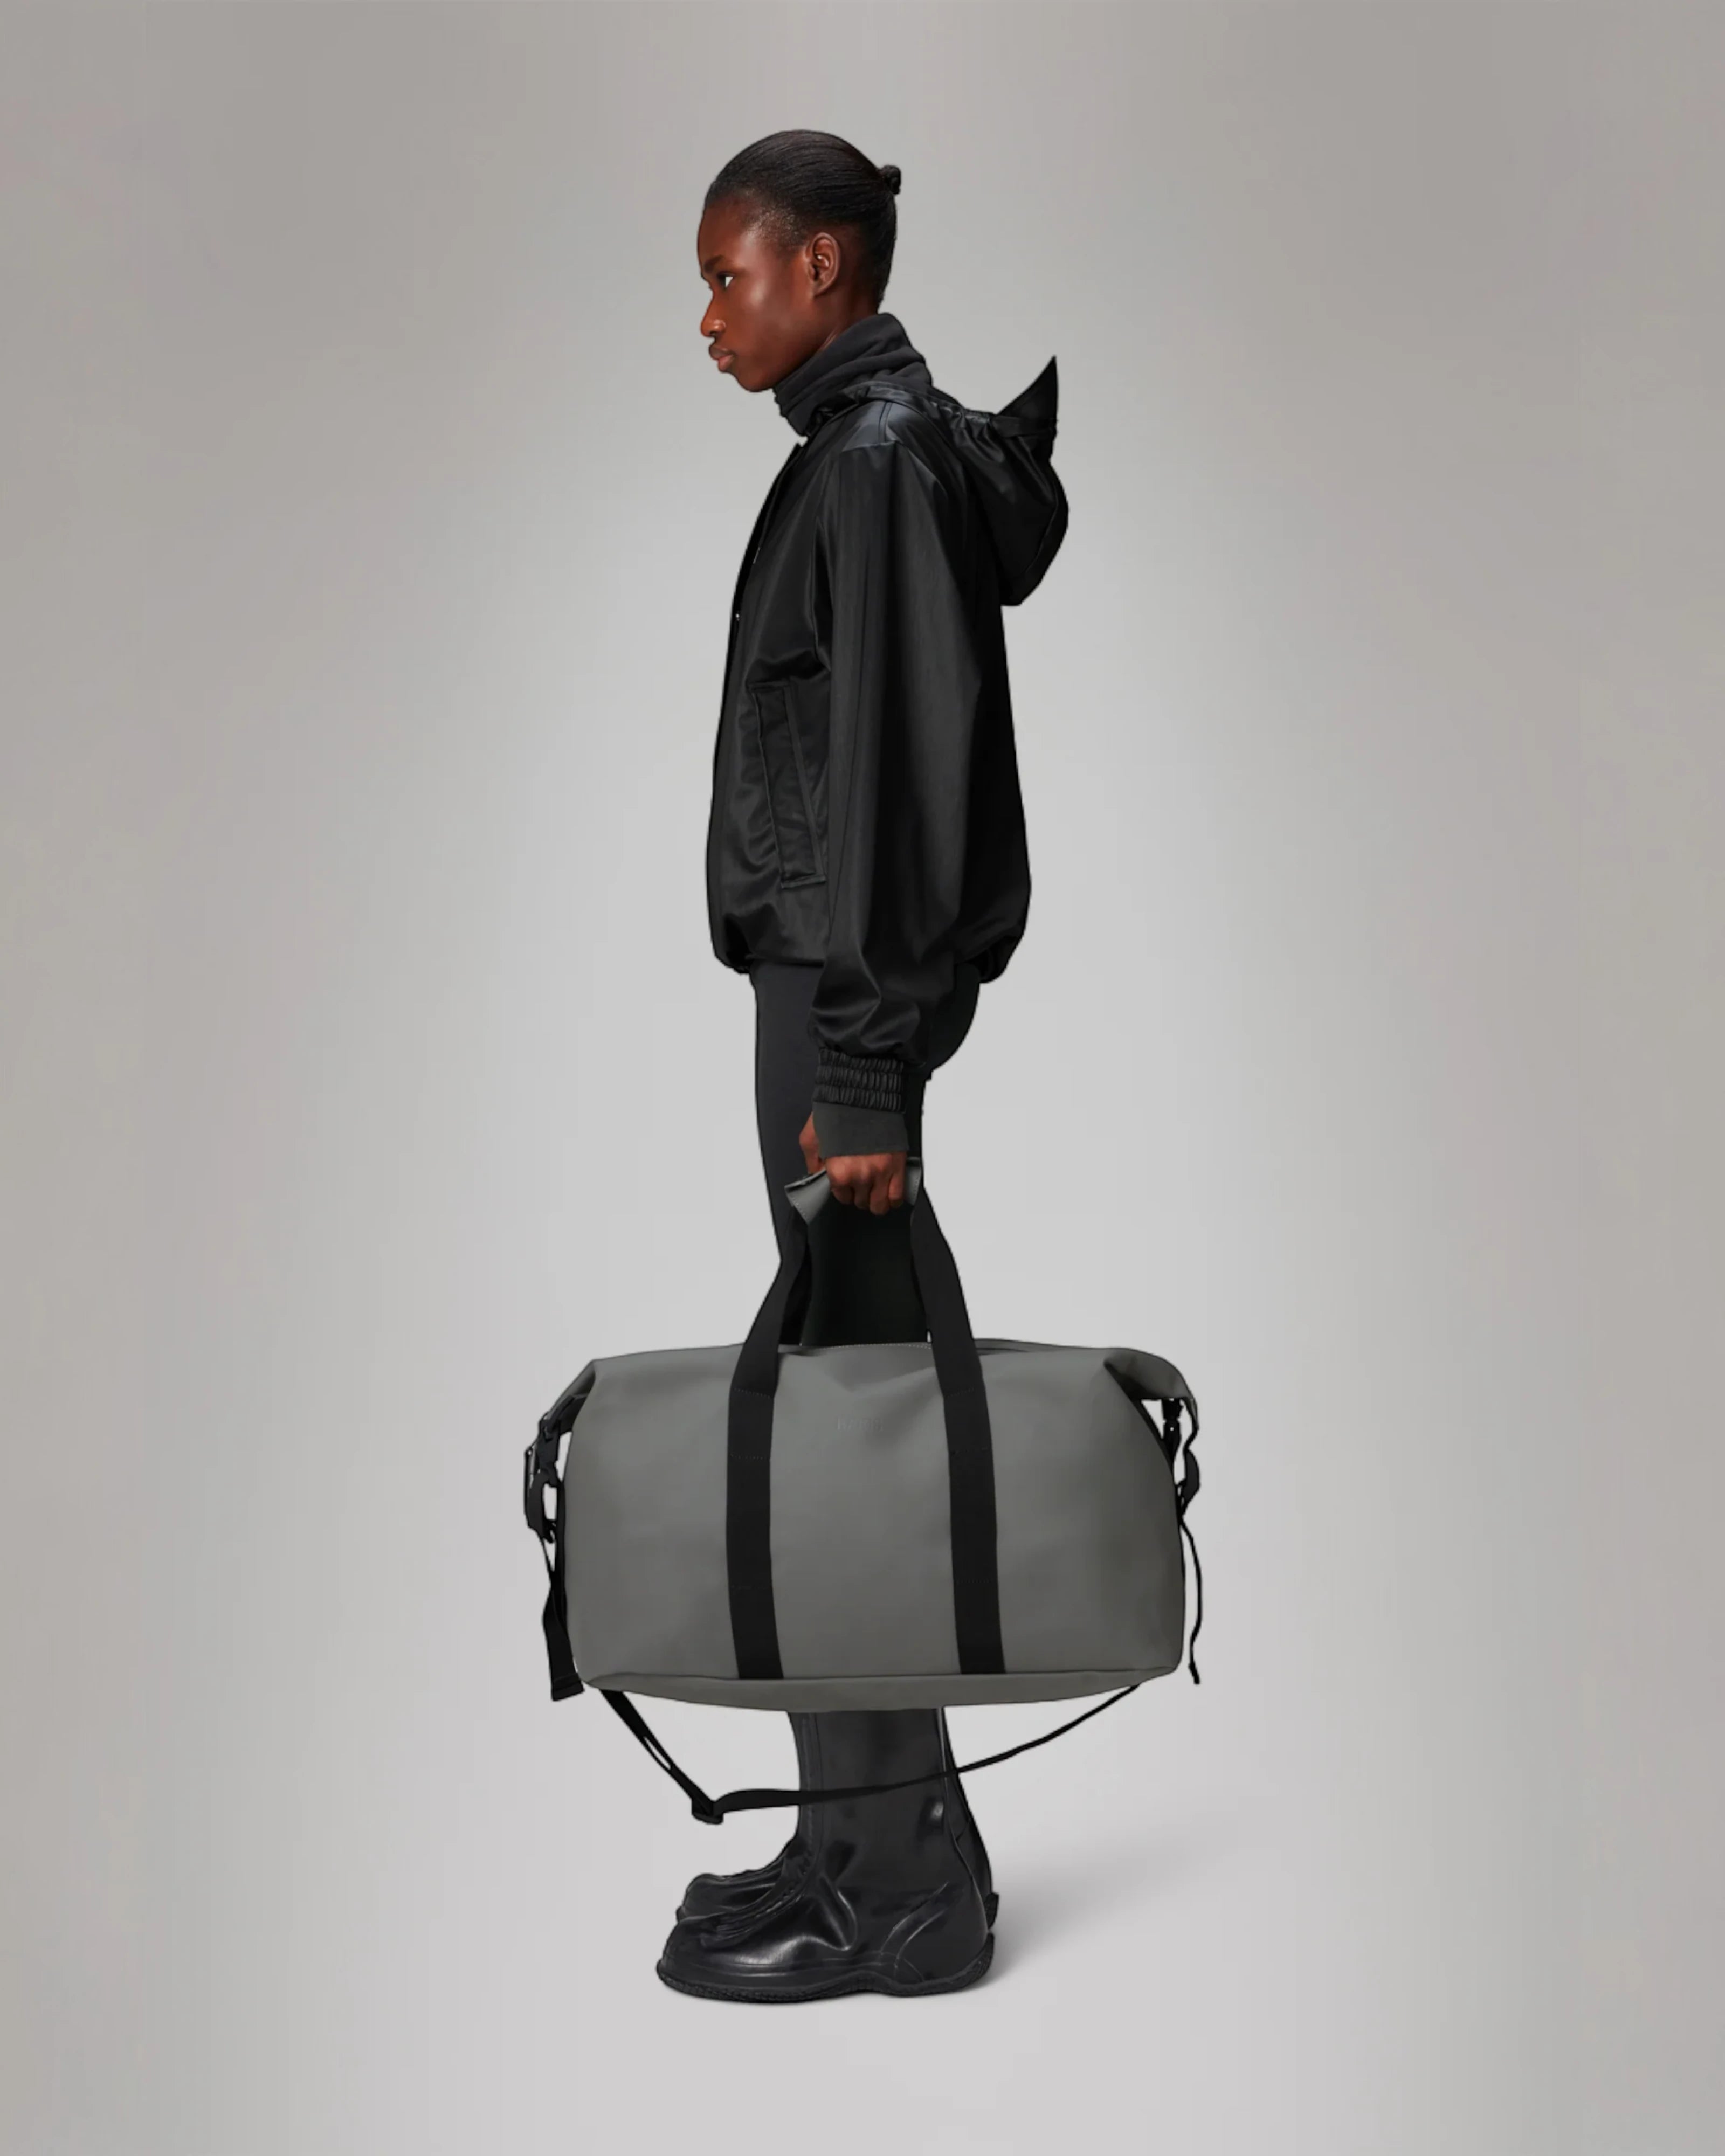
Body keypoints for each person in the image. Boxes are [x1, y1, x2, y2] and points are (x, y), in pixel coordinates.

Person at [654, 129, 1068, 2004]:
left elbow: (901, 776)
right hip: (828, 995)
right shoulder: (857, 453)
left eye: (726, 276)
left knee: (852, 1434)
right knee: (849, 1413)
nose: (710, 317)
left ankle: (895, 1889)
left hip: (840, 1004)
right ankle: (866, 1836)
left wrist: (871, 1072)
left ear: (821, 265)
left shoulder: (877, 465)